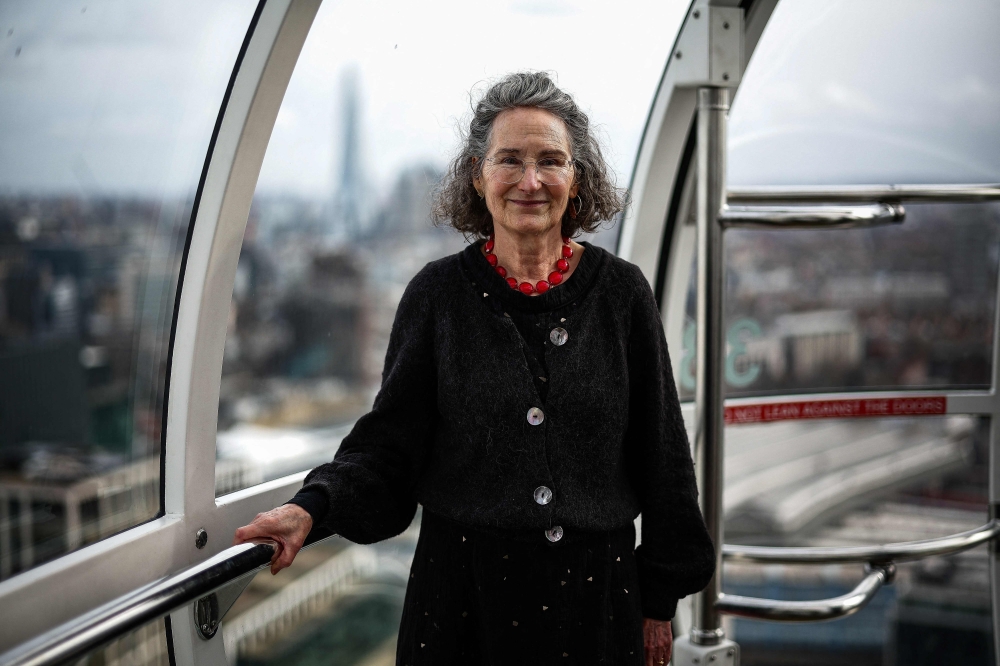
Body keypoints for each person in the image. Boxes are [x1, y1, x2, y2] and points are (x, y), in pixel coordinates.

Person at [234, 71, 714, 666]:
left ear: (578, 178)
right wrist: (312, 507)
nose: (530, 181)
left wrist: (659, 599)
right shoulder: (436, 296)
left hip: (597, 605)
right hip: (462, 606)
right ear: (477, 176)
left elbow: (662, 453)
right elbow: (391, 448)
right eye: (509, 159)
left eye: (551, 161)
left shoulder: (621, 294)